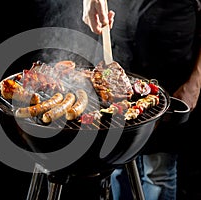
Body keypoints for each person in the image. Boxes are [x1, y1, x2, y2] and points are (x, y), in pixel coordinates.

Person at [82, 0, 201, 199]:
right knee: (118, 168)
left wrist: (196, 81)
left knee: (158, 173)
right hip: (119, 56)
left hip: (171, 72)